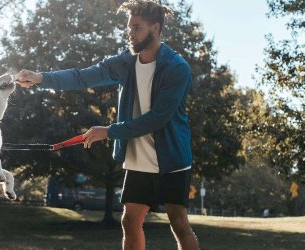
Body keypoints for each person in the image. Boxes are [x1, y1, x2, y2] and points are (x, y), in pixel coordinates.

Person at [14, 1, 199, 249]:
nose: (130, 33)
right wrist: (40, 78)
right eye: (129, 28)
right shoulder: (125, 63)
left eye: (137, 28)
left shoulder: (177, 68)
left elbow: (157, 119)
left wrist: (109, 131)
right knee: (130, 221)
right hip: (138, 160)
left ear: (155, 29)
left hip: (172, 160)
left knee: (178, 223)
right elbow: (82, 76)